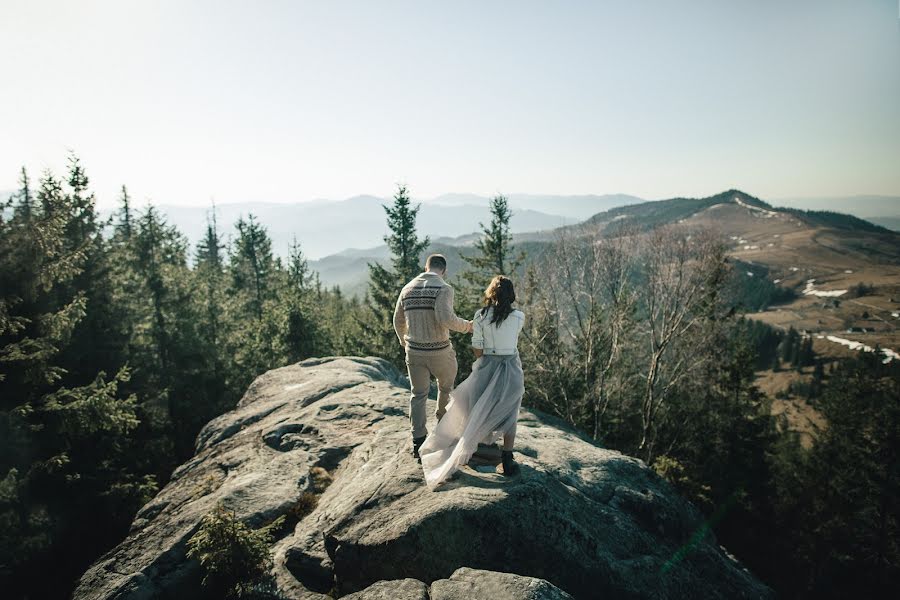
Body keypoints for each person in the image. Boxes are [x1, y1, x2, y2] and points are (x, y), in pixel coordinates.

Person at [419, 275, 526, 489]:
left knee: (475, 408)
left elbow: (477, 349)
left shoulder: (480, 316)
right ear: (511, 294)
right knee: (509, 413)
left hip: (487, 366)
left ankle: (472, 451)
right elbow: (512, 339)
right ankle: (507, 459)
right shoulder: (519, 317)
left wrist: (487, 359)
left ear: (491, 294)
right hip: (512, 368)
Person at [393, 254, 474, 461]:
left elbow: (397, 321)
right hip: (439, 351)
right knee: (445, 389)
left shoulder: (407, 289)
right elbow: (446, 318)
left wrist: (405, 343)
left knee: (418, 395)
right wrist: (468, 326)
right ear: (443, 270)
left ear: (425, 267)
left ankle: (418, 441)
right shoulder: (444, 288)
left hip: (415, 352)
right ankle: (441, 434)